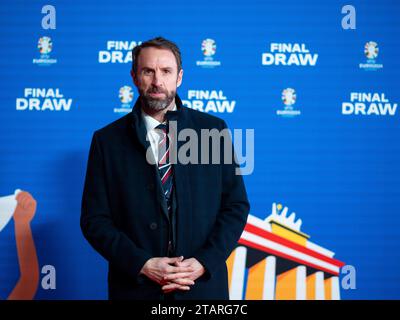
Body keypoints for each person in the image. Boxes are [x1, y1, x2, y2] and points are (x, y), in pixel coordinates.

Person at [80, 37, 250, 300]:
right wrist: (142, 264)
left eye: (166, 71)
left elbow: (235, 206)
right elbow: (95, 220)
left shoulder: (213, 130)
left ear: (179, 77)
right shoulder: (107, 141)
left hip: (202, 290)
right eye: (148, 71)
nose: (157, 81)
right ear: (135, 77)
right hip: (136, 290)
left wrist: (204, 262)